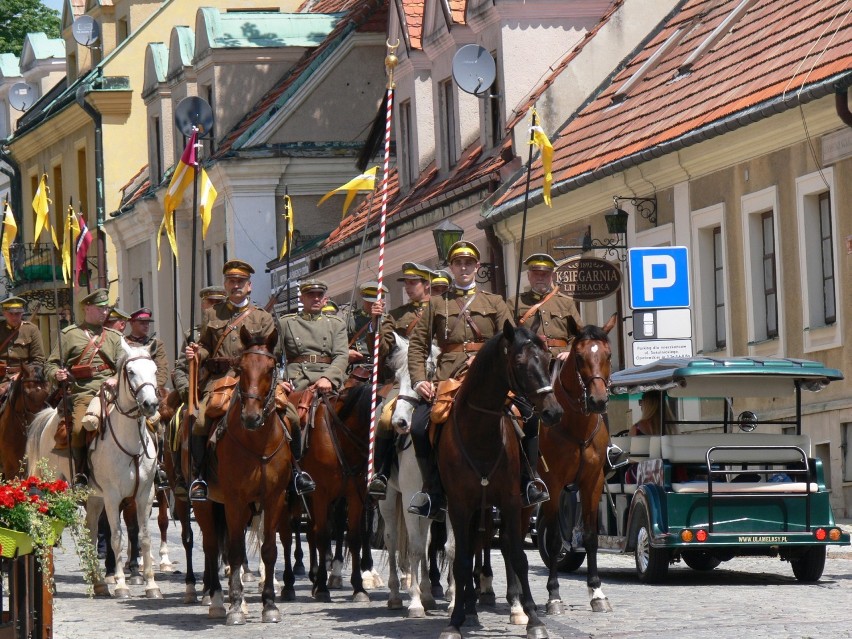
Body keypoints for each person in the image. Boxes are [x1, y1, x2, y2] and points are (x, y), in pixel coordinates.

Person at [407, 240, 513, 520]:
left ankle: (527, 482)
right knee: (419, 426)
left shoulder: (495, 302)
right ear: (451, 267)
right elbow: (417, 346)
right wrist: (419, 380)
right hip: (448, 379)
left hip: (489, 378)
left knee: (527, 416)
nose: (464, 267)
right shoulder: (436, 304)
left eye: (469, 263)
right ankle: (433, 492)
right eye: (458, 263)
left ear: (477, 267)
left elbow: (511, 341)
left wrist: (485, 361)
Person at [185, 260, 276, 501]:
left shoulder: (262, 317)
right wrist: (196, 353)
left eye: (241, 281)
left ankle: (296, 473)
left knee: (292, 416)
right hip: (220, 379)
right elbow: (206, 345)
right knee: (201, 420)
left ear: (249, 286)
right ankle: (199, 477)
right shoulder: (212, 314)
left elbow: (269, 353)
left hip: (255, 380)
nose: (236, 285)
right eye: (231, 281)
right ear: (225, 284)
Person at [508, 253, 583, 506]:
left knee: (590, 400)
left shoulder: (565, 303)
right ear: (528, 276)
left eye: (545, 273)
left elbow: (580, 337)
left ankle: (606, 452)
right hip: (530, 377)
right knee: (524, 417)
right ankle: (528, 475)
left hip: (560, 369)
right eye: (536, 273)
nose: (541, 278)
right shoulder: (515, 304)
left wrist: (570, 350)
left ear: (552, 276)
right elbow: (507, 340)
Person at [45, 288, 124, 488]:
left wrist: (115, 378)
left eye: (106, 308)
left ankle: (156, 469)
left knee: (150, 420)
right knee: (79, 429)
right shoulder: (70, 335)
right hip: (85, 392)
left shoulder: (114, 337)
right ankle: (81, 473)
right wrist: (57, 374)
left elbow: (124, 365)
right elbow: (51, 364)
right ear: (87, 308)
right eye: (100, 308)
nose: (105, 312)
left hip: (112, 391)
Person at [368, 262, 433, 499]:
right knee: (385, 417)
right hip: (404, 378)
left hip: (437, 375)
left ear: (427, 284)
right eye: (405, 282)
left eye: (412, 282)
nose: (407, 286)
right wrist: (374, 324)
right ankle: (382, 473)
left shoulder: (440, 309)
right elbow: (382, 349)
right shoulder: (396, 316)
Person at [278, 279, 348, 494]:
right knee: (288, 421)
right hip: (297, 383)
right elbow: (271, 356)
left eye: (319, 295)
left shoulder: (335, 324)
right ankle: (293, 471)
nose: (316, 298)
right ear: (302, 299)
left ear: (325, 298)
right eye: (311, 295)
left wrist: (329, 378)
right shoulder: (286, 323)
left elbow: (341, 355)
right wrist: (279, 381)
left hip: (329, 384)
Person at [170, 285, 226, 497]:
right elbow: (181, 369)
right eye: (210, 302)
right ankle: (181, 475)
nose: (214, 306)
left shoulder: (231, 329)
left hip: (225, 389)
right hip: (198, 392)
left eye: (218, 303)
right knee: (178, 422)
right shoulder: (193, 334)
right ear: (203, 305)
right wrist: (187, 391)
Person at [0, 296, 45, 403]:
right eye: (11, 313)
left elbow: (39, 361)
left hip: (24, 378)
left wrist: (21, 374)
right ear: (4, 313)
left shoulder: (31, 330)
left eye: (18, 314)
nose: (14, 317)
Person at [347, 281, 388, 380]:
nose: (372, 305)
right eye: (369, 301)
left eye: (375, 301)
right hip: (358, 369)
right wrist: (346, 352)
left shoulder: (387, 320)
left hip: (381, 369)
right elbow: (337, 344)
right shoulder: (350, 319)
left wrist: (375, 320)